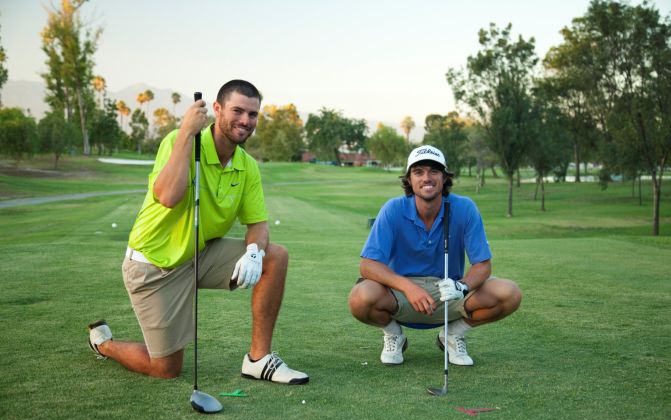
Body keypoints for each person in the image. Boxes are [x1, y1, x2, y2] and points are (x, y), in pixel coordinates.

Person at [87, 80, 308, 384]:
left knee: (275, 257)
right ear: (216, 109)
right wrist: (186, 135)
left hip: (198, 255)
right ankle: (104, 345)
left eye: (253, 114)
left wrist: (255, 252)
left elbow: (257, 224)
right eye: (238, 111)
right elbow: (167, 196)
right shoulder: (179, 141)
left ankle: (258, 359)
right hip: (153, 265)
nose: (246, 120)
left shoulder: (247, 166)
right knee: (165, 368)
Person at [348, 145, 521, 366]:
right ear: (409, 179)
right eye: (418, 172)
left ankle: (453, 334)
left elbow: (482, 266)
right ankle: (394, 335)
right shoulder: (393, 209)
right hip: (400, 295)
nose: (426, 178)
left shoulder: (465, 208)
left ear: (444, 177)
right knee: (359, 298)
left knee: (510, 293)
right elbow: (368, 265)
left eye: (433, 171)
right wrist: (408, 287)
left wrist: (462, 287)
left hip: (450, 293)